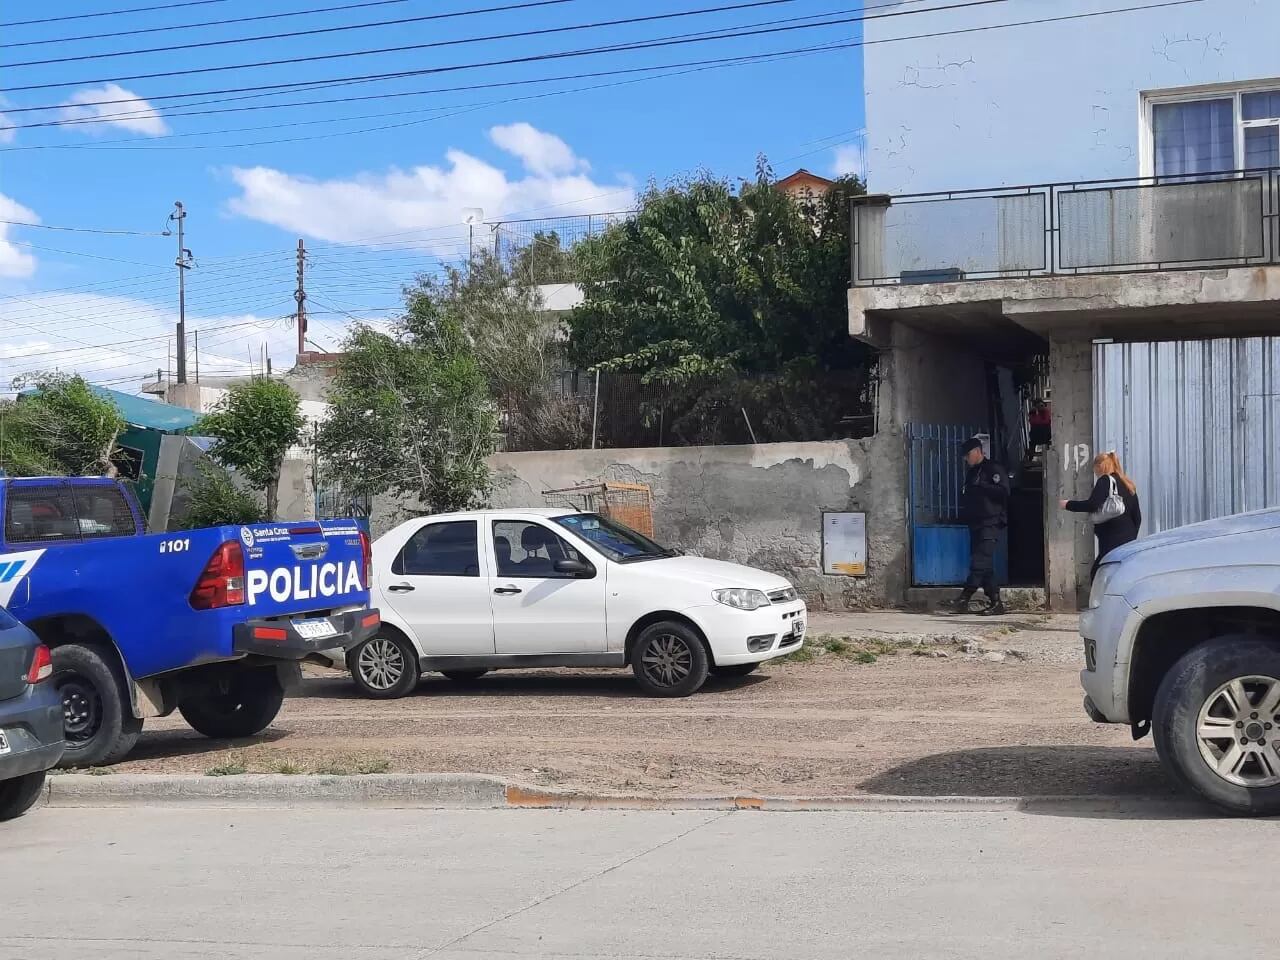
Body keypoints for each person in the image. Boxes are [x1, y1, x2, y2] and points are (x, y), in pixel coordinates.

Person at [943, 437, 1010, 616]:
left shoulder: (993, 469)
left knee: (979, 560)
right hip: (976, 523)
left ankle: (965, 597)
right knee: (984, 566)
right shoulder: (972, 473)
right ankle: (996, 603)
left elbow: (1004, 491)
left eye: (967, 455)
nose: (966, 459)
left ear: (977, 451)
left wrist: (984, 486)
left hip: (991, 522)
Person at [1060, 451, 1141, 580]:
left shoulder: (1105, 481)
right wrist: (1131, 537)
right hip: (1128, 540)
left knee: (1098, 575)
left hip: (1111, 540)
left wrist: (1068, 504)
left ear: (1099, 467)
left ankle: (1101, 600)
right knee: (1120, 575)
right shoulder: (1127, 483)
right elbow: (1137, 517)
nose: (1095, 474)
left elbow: (1092, 505)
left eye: (1095, 470)